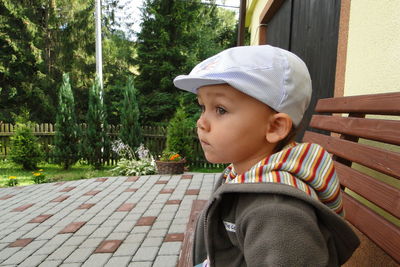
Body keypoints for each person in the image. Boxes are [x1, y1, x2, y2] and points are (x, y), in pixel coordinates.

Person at [173, 45, 360, 267]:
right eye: (203, 107)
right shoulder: (242, 174)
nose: (201, 122)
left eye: (220, 109)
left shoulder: (277, 214)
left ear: (275, 127)